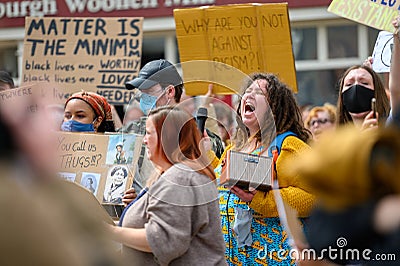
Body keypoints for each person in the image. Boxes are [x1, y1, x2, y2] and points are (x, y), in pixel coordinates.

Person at [216, 73, 315, 265]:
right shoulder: (233, 147)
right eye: (247, 91)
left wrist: (262, 200)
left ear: (275, 108)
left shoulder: (287, 145)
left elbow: (317, 197)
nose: (249, 95)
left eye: (259, 92)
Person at [107, 106, 226, 265]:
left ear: (167, 137)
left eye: (149, 133)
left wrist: (110, 231)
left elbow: (163, 241)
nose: (144, 140)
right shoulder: (178, 174)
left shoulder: (180, 178)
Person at [122, 59, 224, 205]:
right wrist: (136, 200)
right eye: (142, 93)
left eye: (149, 92)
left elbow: (217, 184)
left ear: (170, 91)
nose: (144, 99)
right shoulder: (133, 132)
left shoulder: (201, 137)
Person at [336, 64, 390, 130]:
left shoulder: (392, 129)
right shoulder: (334, 138)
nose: (356, 86)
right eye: (349, 84)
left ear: (377, 92)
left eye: (364, 83)